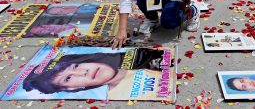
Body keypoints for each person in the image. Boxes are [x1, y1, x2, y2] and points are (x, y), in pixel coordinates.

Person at [23, 48, 164, 94]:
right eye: (68, 78)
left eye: (75, 67)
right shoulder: (120, 92)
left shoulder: (139, 53)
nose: (82, 72)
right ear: (72, 88)